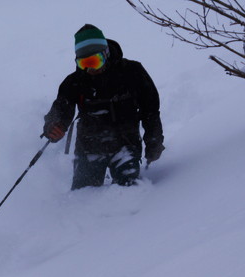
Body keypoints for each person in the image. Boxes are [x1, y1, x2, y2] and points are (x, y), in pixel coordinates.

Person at [43, 24, 165, 189]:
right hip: (89, 147)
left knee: (127, 191)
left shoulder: (132, 72)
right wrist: (54, 126)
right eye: (84, 63)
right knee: (84, 196)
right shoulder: (74, 82)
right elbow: (60, 109)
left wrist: (153, 142)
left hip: (126, 144)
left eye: (95, 61)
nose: (90, 68)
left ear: (106, 54)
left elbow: (150, 111)